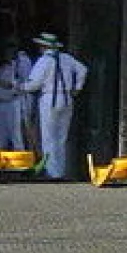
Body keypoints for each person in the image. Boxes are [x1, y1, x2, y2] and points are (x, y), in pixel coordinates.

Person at [25, 32, 88, 180]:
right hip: (66, 98)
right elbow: (83, 69)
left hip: (49, 99)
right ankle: (60, 170)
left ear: (43, 46)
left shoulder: (43, 61)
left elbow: (34, 84)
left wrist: (21, 86)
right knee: (61, 138)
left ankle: (52, 172)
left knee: (48, 137)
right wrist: (77, 87)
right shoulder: (67, 58)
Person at [0, 38, 32, 152]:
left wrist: (7, 84)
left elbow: (22, 83)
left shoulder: (19, 65)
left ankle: (20, 158)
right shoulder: (2, 69)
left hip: (13, 103)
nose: (8, 54)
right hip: (0, 104)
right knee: (0, 134)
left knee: (15, 133)